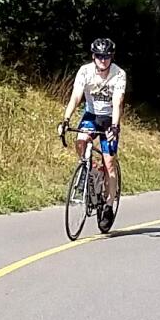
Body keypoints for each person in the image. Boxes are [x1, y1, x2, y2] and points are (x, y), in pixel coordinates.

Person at [60, 38, 127, 209]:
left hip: (109, 118)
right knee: (80, 141)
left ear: (112, 57)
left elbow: (118, 102)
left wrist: (115, 126)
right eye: (99, 56)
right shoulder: (85, 71)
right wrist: (66, 120)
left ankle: (109, 205)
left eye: (106, 56)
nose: (103, 60)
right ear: (93, 56)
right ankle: (92, 170)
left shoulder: (119, 74)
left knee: (109, 163)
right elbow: (76, 97)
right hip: (91, 115)